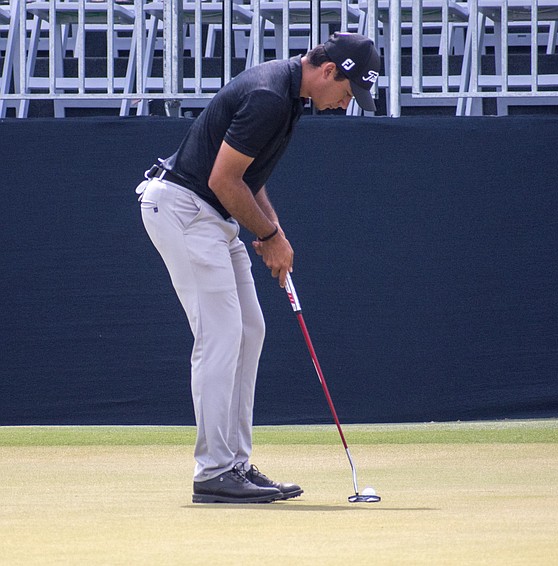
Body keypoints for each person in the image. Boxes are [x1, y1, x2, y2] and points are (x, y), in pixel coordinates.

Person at [135, 33, 381, 504]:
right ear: (329, 71)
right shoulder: (271, 95)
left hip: (211, 215)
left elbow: (247, 177)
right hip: (184, 209)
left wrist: (275, 230)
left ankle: (235, 466)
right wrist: (269, 239)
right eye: (348, 93)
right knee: (221, 335)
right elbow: (222, 179)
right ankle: (213, 472)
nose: (344, 104)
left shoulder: (289, 97)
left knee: (250, 329)